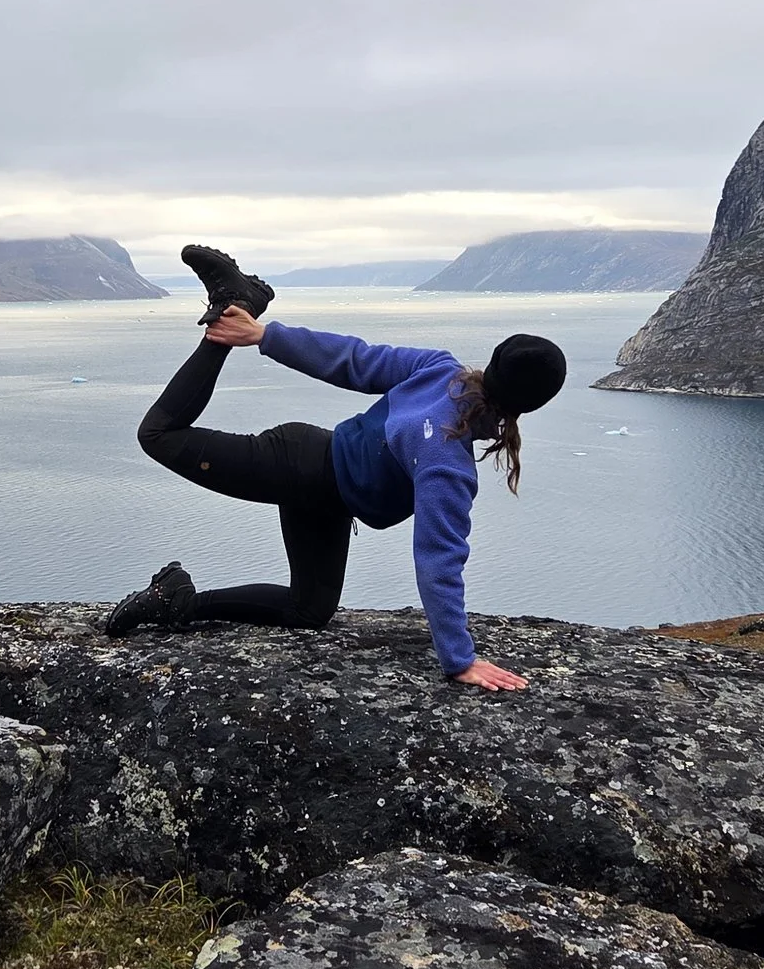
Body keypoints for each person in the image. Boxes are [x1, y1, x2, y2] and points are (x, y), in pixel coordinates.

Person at [101, 244, 566, 692]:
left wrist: (269, 335)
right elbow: (438, 561)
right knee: (158, 435)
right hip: (296, 464)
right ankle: (231, 311)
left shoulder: (442, 369)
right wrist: (459, 660)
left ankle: (175, 599)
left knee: (310, 610)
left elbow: (352, 358)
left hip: (324, 496)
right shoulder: (447, 459)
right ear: (529, 405)